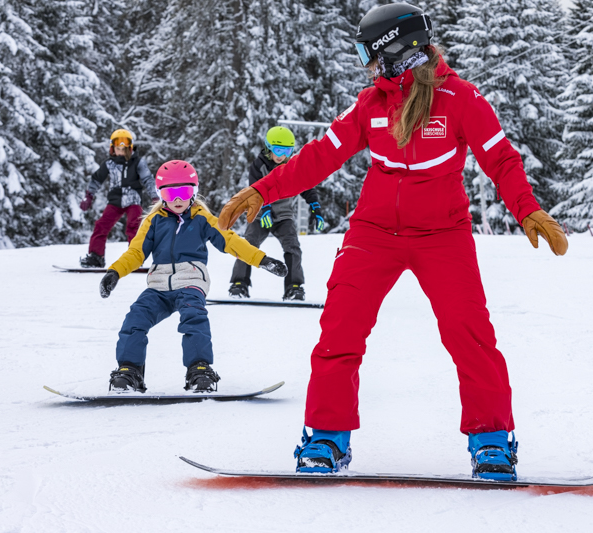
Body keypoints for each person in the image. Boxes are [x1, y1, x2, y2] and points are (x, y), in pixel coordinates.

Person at [217, 3, 568, 480]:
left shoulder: (461, 99)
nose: (366, 63)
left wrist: (527, 209)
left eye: (369, 52)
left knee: (469, 333)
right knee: (340, 328)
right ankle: (326, 438)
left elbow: (501, 158)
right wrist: (263, 190)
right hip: (374, 232)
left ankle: (491, 441)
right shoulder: (372, 103)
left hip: (443, 234)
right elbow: (321, 155)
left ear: (397, 47)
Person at [98, 160, 288, 393]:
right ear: (160, 195)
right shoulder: (153, 221)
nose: (178, 199)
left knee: (194, 317)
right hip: (158, 286)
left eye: (185, 192)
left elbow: (231, 241)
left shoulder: (202, 218)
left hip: (191, 281)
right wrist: (115, 272)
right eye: (170, 193)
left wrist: (262, 259)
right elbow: (136, 253)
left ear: (194, 192)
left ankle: (199, 369)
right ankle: (129, 371)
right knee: (135, 318)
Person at [228, 126, 325, 301]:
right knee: (247, 245)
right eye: (278, 150)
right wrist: (264, 209)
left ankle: (293, 287)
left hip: (283, 216)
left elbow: (307, 187)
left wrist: (315, 208)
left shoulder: (292, 167)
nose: (281, 156)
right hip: (260, 216)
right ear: (268, 148)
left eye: (287, 151)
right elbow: (256, 190)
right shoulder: (259, 166)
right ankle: (239, 284)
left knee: (292, 247)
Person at [79, 129, 159, 268]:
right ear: (112, 149)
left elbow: (148, 179)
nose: (121, 152)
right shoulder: (109, 164)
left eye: (124, 149)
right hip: (115, 201)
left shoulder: (137, 162)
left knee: (134, 227)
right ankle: (96, 256)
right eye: (118, 149)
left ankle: (135, 257)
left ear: (130, 149)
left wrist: (155, 196)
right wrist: (89, 195)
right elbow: (97, 179)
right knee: (101, 225)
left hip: (133, 200)